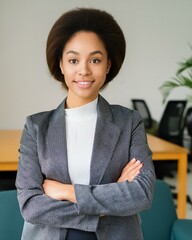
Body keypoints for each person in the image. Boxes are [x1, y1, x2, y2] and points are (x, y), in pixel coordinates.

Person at [16, 8, 155, 240]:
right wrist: (106, 206)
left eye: (95, 59)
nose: (84, 70)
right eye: (73, 60)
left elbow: (142, 192)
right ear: (60, 64)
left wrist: (66, 192)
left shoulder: (129, 122)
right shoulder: (36, 127)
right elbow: (31, 205)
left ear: (108, 65)